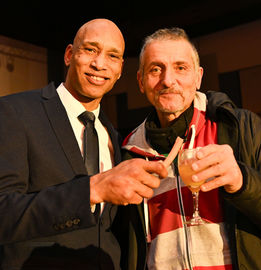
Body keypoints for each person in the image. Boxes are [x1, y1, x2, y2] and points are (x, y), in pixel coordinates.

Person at [0, 19, 167, 270]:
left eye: (112, 56)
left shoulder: (112, 135)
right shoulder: (15, 111)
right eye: (90, 50)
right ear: (69, 55)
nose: (99, 64)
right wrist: (92, 189)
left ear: (120, 69)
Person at [121, 28, 261, 270]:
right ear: (140, 81)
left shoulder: (242, 129)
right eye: (155, 69)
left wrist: (243, 182)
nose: (168, 80)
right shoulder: (129, 152)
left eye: (181, 68)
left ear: (199, 77)